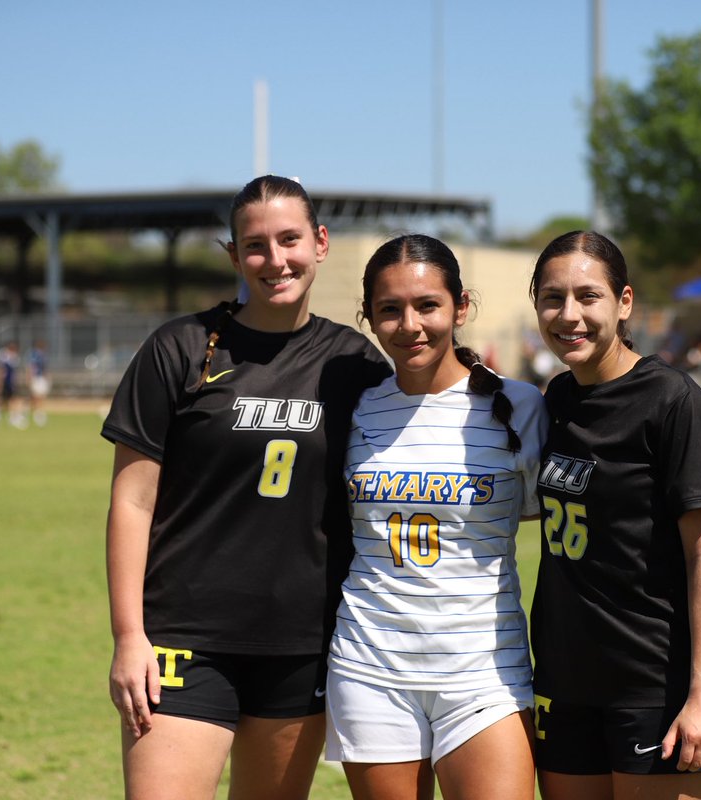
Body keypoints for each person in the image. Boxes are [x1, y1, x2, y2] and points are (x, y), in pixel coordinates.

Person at [101, 175, 391, 800]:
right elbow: (131, 501)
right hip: (184, 637)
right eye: (255, 245)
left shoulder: (356, 364)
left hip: (302, 643)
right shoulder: (178, 349)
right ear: (234, 255)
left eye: (290, 240)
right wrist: (129, 637)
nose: (275, 259)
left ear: (320, 243)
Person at [325, 234, 546, 800]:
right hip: (369, 665)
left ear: (461, 307)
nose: (410, 324)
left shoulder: (521, 406)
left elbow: (581, 509)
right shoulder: (354, 406)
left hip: (485, 671)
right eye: (390, 309)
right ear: (369, 317)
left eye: (427, 305)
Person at [528, 231, 701, 800]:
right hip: (564, 680)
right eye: (552, 298)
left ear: (624, 303)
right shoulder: (557, 400)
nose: (568, 315)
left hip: (656, 682)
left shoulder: (675, 404)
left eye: (587, 296)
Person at [0, 340, 26, 428]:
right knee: (5, 400)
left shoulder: (15, 357)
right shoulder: (4, 357)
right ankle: (2, 416)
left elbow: (14, 372)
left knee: (11, 399)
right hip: (5, 382)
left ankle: (8, 416)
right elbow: (0, 371)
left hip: (11, 382)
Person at [27, 340, 51, 426]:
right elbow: (31, 366)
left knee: (41, 396)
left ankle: (38, 413)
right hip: (36, 377)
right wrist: (30, 377)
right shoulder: (35, 354)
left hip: (41, 378)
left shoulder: (43, 355)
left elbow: (45, 368)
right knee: (36, 397)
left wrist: (47, 377)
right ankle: (36, 414)